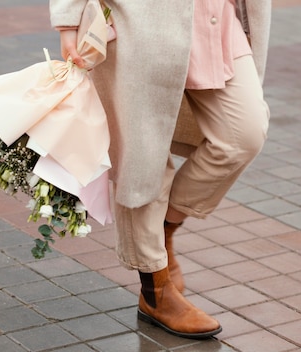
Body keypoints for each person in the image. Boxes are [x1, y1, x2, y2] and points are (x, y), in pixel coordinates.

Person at [50, 0, 271, 339]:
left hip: (218, 15)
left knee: (244, 135)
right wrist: (67, 24)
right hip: (139, 21)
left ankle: (161, 232)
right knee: (143, 158)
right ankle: (155, 289)